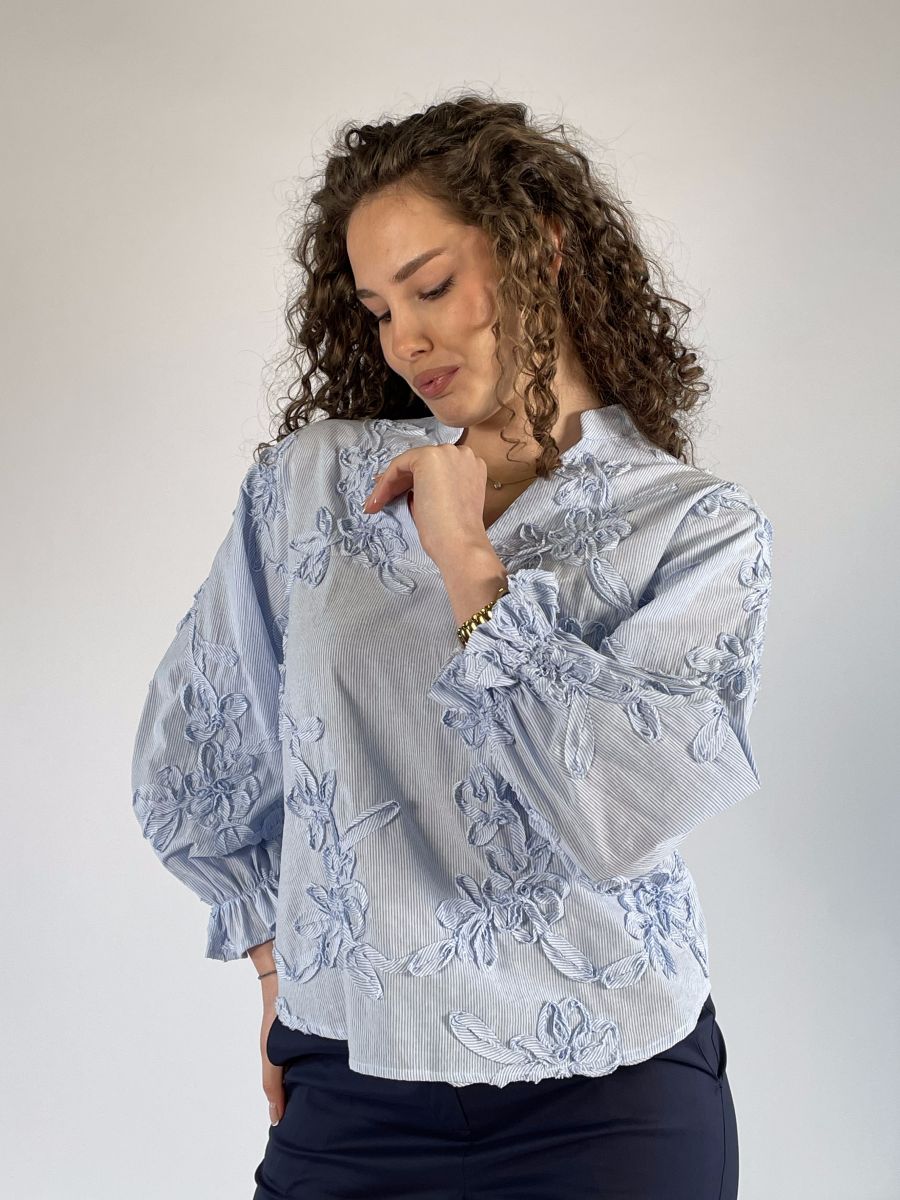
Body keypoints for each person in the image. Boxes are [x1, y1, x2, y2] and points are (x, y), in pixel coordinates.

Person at [131, 92, 773, 1199]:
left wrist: (471, 563)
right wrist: (281, 973)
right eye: (380, 309)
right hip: (352, 1090)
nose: (406, 340)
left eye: (431, 287)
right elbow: (202, 749)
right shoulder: (315, 484)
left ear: (541, 249)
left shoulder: (697, 528)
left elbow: (623, 810)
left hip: (611, 1091)